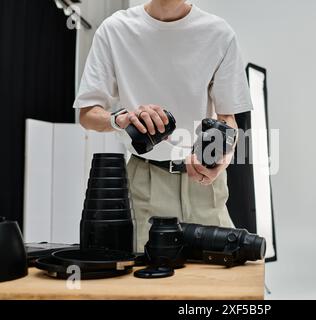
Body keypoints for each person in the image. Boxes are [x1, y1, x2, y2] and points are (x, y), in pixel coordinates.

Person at [73, 0, 253, 251]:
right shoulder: (115, 30)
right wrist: (120, 119)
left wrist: (220, 160)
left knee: (215, 284)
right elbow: (87, 113)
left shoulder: (219, 34)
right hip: (144, 182)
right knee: (145, 285)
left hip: (204, 184)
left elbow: (228, 120)